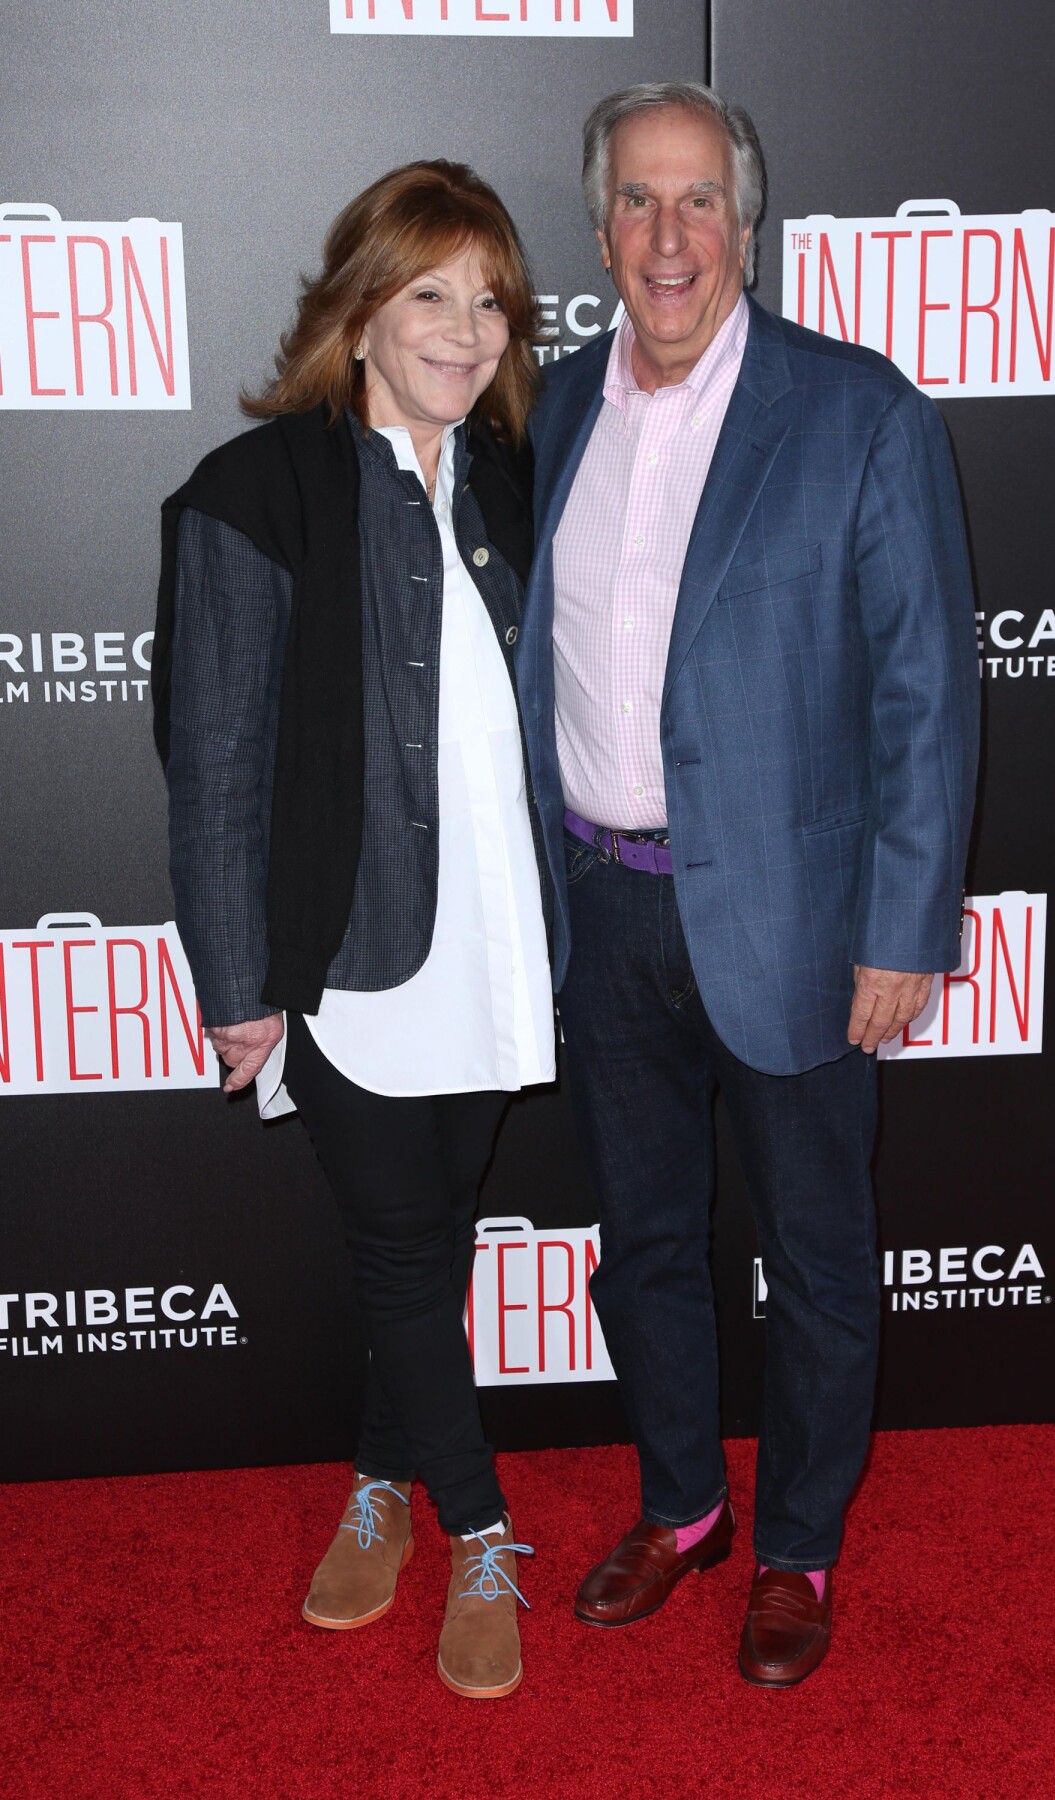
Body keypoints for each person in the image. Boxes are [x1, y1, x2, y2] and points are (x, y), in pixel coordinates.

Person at [515, 83, 979, 1687]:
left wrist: (905, 929)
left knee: (821, 1258)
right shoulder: (555, 408)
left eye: (699, 200)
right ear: (599, 229)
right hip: (602, 904)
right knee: (639, 1244)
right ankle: (682, 1507)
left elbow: (926, 687)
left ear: (749, 224)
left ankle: (798, 1549)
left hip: (793, 925)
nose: (668, 236)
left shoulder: (855, 412)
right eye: (638, 202)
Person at [152, 162, 553, 1700]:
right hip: (345, 955)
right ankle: (478, 1529)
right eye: (430, 293)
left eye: (491, 298)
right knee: (399, 1254)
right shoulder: (254, 493)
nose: (466, 328)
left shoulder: (510, 474)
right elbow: (216, 761)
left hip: (502, 941)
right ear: (359, 308)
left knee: (430, 1245)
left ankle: (379, 1483)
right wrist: (239, 983)